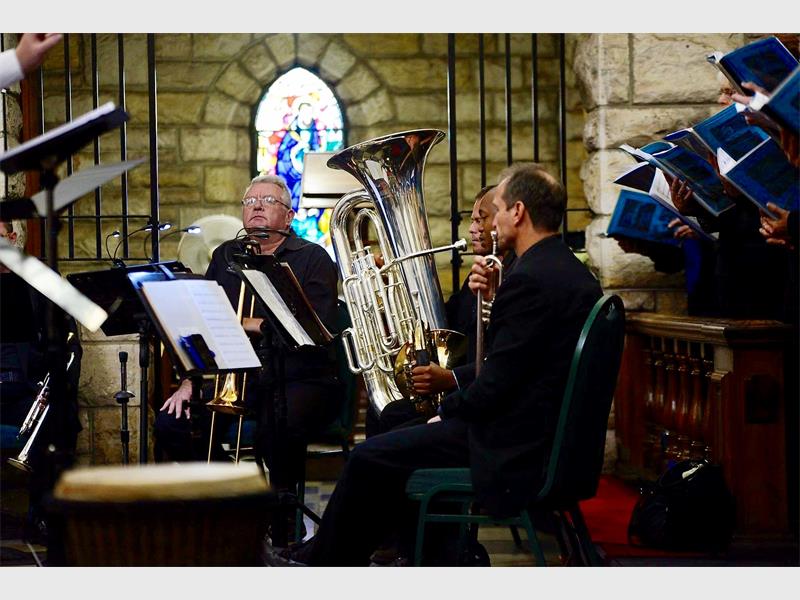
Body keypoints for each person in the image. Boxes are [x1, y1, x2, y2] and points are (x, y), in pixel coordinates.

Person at [273, 163, 601, 566]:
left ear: (517, 212)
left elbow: (495, 384)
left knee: (367, 457)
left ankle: (321, 564)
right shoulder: (569, 271)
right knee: (394, 429)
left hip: (512, 444)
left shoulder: (530, 279)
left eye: (497, 210)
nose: (492, 222)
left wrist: (444, 412)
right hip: (540, 435)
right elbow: (516, 367)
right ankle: (414, 552)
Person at [154, 175, 342, 497]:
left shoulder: (313, 258)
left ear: (289, 216)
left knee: (276, 430)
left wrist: (254, 324)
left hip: (298, 378)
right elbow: (204, 323)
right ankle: (240, 494)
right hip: (238, 376)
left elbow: (318, 330)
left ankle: (283, 517)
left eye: (268, 201)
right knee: (172, 423)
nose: (257, 206)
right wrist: (189, 381)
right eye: (250, 201)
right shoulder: (225, 255)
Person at [0, 218, 82, 543]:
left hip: (28, 390)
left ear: (12, 238)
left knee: (60, 418)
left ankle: (43, 515)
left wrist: (55, 388)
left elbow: (70, 343)